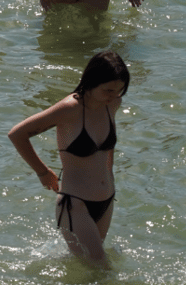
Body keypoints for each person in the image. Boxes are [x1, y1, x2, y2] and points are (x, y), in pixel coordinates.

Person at [7, 51, 130, 268]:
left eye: (119, 91)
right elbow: (17, 134)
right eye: (108, 90)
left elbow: (108, 150)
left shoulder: (112, 104)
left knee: (88, 267)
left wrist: (110, 179)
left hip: (106, 200)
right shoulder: (70, 109)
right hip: (75, 203)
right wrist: (42, 172)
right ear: (92, 81)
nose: (114, 96)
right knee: (101, 266)